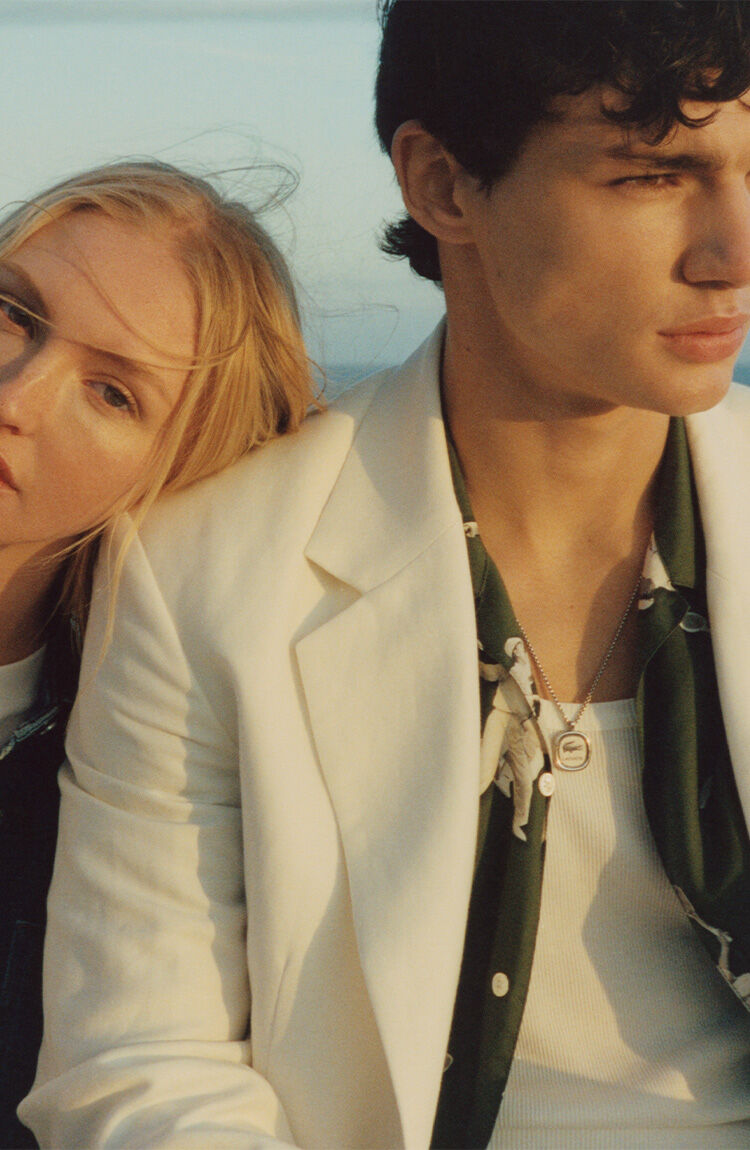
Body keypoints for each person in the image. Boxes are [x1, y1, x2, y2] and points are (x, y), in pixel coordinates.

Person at [22, 2, 750, 1146]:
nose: (733, 252)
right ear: (443, 184)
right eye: (652, 176)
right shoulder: (207, 571)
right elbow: (140, 1062)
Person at [0, 158, 314, 1148]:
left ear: (182, 479)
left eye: (111, 392)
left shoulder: (142, 795)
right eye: (11, 312)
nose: (17, 394)